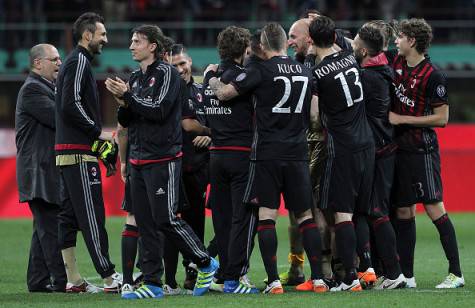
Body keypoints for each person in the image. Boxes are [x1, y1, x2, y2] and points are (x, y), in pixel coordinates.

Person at [208, 22, 326, 295]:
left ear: (262, 43)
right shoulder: (305, 70)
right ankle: (318, 279)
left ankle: (273, 282)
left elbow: (224, 93)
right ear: (285, 42)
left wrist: (212, 76)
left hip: (266, 154)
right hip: (297, 153)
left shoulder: (259, 70)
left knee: (267, 217)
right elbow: (314, 117)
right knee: (305, 216)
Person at [105, 24, 218, 300]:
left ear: (152, 46)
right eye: (131, 41)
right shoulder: (134, 76)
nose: (131, 46)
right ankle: (153, 283)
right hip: (138, 158)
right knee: (145, 223)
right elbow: (127, 121)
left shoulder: (168, 74)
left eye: (137, 41)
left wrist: (129, 97)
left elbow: (159, 111)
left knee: (166, 218)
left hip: (164, 157)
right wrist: (122, 102)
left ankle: (205, 262)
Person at [389, 18, 464, 289]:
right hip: (400, 151)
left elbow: (442, 118)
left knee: (434, 207)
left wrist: (402, 119)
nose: (396, 41)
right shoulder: (395, 63)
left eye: (400, 37)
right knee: (404, 211)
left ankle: (456, 273)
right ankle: (407, 277)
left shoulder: (434, 75)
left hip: (422, 150)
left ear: (412, 41)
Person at [55, 12, 120, 293]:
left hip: (68, 151)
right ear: (87, 35)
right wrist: (98, 132)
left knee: (68, 218)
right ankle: (109, 278)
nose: (105, 39)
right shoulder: (79, 61)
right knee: (92, 215)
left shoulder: (74, 62)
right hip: (79, 154)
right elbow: (71, 104)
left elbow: (69, 104)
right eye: (102, 34)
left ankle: (74, 279)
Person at [308, 15, 375, 292]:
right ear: (334, 37)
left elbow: (313, 118)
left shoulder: (316, 75)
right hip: (367, 143)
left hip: (343, 147)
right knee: (360, 213)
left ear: (311, 41)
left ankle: (349, 279)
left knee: (343, 215)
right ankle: (366, 269)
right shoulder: (349, 57)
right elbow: (349, 43)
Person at [202, 26, 258, 294]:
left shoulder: (209, 76)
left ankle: (223, 275)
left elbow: (206, 115)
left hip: (216, 154)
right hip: (241, 153)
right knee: (242, 217)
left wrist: (210, 78)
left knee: (221, 218)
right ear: (244, 49)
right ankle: (236, 277)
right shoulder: (244, 76)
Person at [351, 24, 406, 289]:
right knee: (372, 210)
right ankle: (384, 271)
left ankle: (394, 273)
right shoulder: (383, 71)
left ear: (363, 49)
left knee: (376, 210)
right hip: (384, 146)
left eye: (355, 42)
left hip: (378, 149)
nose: (351, 44)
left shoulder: (367, 77)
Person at [15, 43, 67, 293]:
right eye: (55, 59)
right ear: (38, 63)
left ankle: (37, 280)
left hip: (42, 169)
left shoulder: (45, 88)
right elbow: (60, 120)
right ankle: (62, 280)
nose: (60, 63)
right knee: (52, 227)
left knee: (44, 227)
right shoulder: (34, 89)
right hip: (39, 170)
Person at [162, 43, 211, 295]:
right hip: (173, 163)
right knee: (170, 222)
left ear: (190, 62)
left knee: (196, 221)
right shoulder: (167, 91)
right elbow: (190, 126)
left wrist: (211, 136)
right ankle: (168, 279)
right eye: (174, 66)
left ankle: (193, 272)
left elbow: (216, 120)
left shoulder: (204, 89)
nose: (180, 69)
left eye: (182, 63)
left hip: (198, 165)